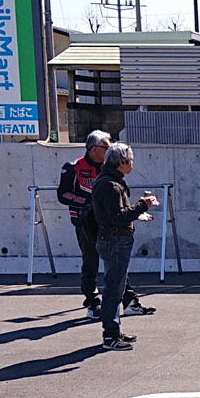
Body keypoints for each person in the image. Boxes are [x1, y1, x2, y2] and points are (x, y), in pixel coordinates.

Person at [57, 130, 155, 320]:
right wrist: (91, 202)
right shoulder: (74, 167)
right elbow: (63, 195)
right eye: (106, 146)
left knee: (118, 264)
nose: (110, 149)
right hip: (86, 223)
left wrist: (136, 213)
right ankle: (93, 303)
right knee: (90, 263)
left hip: (108, 225)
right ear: (94, 148)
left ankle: (129, 301)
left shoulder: (109, 168)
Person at [90, 143, 159, 351]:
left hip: (112, 239)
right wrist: (142, 205)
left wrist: (137, 213)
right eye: (129, 161)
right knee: (113, 289)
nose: (131, 164)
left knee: (116, 287)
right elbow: (118, 217)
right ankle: (110, 335)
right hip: (115, 240)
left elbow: (116, 214)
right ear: (120, 162)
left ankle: (114, 331)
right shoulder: (111, 185)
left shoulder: (109, 181)